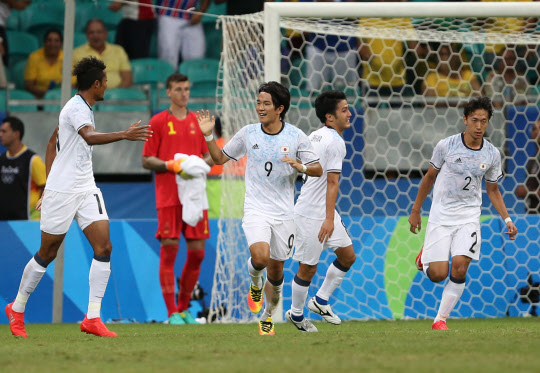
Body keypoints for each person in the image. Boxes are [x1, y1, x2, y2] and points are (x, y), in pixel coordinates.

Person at [4, 56, 152, 338]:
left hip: (85, 188)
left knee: (104, 247)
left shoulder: (80, 107)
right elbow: (90, 137)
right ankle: (17, 307)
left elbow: (51, 143)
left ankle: (93, 318)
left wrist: (46, 183)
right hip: (63, 191)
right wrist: (125, 134)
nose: (107, 85)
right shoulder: (76, 109)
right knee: (47, 253)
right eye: (105, 81)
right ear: (95, 84)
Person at [197, 81, 323, 335]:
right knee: (260, 258)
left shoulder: (296, 136)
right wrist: (208, 135)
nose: (260, 108)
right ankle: (255, 284)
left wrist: (302, 167)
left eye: (266, 104)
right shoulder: (248, 133)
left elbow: (318, 169)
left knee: (276, 276)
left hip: (285, 214)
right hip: (256, 209)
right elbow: (220, 159)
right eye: (258, 102)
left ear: (280, 109)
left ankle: (267, 315)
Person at [408, 96, 518, 330]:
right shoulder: (446, 146)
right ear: (465, 119)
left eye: (484, 121)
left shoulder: (491, 154)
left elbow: (493, 190)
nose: (479, 126)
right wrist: (416, 210)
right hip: (441, 215)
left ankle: (440, 320)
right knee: (438, 274)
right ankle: (424, 257)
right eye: (475, 120)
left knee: (460, 265)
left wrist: (507, 218)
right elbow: (429, 178)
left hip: (468, 217)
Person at [142, 73, 213, 325]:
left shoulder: (198, 121)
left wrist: (196, 164)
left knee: (197, 255)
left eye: (187, 89)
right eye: (179, 89)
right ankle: (172, 312)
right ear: (168, 93)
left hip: (195, 196)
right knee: (169, 252)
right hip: (169, 195)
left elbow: (209, 156)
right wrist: (172, 165)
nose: (184, 93)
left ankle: (183, 310)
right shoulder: (158, 121)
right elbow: (146, 159)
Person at [285, 90, 356, 333]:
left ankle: (321, 301)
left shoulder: (314, 136)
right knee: (308, 268)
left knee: (347, 256)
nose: (349, 113)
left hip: (323, 209)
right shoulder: (335, 142)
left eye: (348, 108)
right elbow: (332, 183)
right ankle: (296, 314)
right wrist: (328, 219)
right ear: (330, 116)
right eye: (344, 110)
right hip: (310, 214)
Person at [0, 116, 46, 221]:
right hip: (4, 222)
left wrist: (38, 213)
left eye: (4, 131)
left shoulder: (32, 160)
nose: (0, 135)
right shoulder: (2, 159)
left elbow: (47, 187)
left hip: (27, 222)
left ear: (16, 134)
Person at [72, 19, 132, 89]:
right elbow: (72, 83)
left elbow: (127, 80)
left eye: (99, 32)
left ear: (105, 34)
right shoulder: (76, 53)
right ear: (87, 35)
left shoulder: (118, 50)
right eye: (91, 32)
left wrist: (115, 95)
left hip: (116, 96)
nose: (95, 35)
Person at [156, 0, 209, 69]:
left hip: (192, 15)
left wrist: (201, 11)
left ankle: (193, 79)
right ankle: (168, 79)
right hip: (168, 14)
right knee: (168, 57)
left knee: (197, 56)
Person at [24, 29, 63, 99]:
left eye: (56, 41)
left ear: (61, 43)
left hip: (62, 98)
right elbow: (29, 85)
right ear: (44, 43)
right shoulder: (34, 57)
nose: (52, 44)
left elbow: (72, 84)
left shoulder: (67, 58)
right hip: (39, 98)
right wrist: (45, 93)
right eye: (49, 40)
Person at [515, 120, 540, 214]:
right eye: (534, 129)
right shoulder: (533, 158)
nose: (536, 132)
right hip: (532, 215)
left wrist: (528, 191)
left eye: (539, 129)